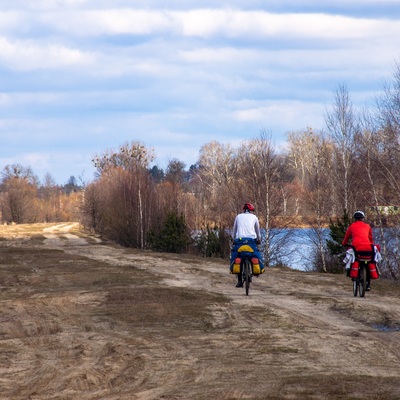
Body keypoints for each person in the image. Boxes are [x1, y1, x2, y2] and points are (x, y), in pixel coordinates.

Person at [230, 203, 264, 287]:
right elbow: (257, 231)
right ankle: (254, 271)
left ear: (243, 210)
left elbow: (234, 230)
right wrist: (259, 239)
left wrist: (233, 239)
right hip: (251, 241)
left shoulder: (238, 217)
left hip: (239, 241)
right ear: (251, 211)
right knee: (254, 255)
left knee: (237, 258)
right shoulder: (254, 217)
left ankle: (239, 281)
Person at [342, 210, 374, 290]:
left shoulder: (352, 226)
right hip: (368, 248)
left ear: (355, 218)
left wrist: (344, 243)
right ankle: (368, 283)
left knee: (354, 259)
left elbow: (347, 237)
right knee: (369, 262)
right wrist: (371, 245)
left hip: (357, 248)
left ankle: (354, 277)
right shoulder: (367, 226)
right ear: (363, 218)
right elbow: (370, 238)